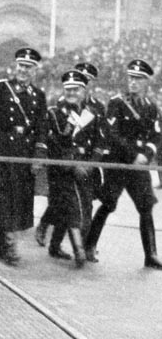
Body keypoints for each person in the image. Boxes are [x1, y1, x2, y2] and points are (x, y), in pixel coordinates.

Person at [85, 59, 162, 269]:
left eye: (138, 79)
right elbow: (112, 134)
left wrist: (146, 154)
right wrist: (133, 155)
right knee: (109, 204)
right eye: (131, 78)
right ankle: (89, 246)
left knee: (146, 207)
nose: (133, 83)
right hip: (119, 164)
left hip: (138, 166)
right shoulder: (117, 103)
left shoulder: (151, 107)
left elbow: (156, 135)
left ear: (147, 82)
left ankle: (151, 254)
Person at [0, 48, 47, 266]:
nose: (23, 70)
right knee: (5, 198)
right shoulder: (1, 89)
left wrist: (38, 153)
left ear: (35, 70)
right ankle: (9, 245)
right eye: (21, 66)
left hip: (25, 152)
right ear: (15, 66)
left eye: (28, 67)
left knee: (17, 198)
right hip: (3, 151)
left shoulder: (39, 95)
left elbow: (41, 128)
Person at [44, 70, 107, 267]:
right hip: (64, 170)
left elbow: (99, 142)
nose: (71, 93)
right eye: (68, 89)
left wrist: (89, 164)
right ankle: (79, 251)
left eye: (76, 89)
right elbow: (55, 143)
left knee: (85, 208)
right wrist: (73, 164)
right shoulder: (54, 112)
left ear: (84, 90)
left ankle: (54, 245)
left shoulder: (93, 114)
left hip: (86, 169)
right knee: (73, 208)